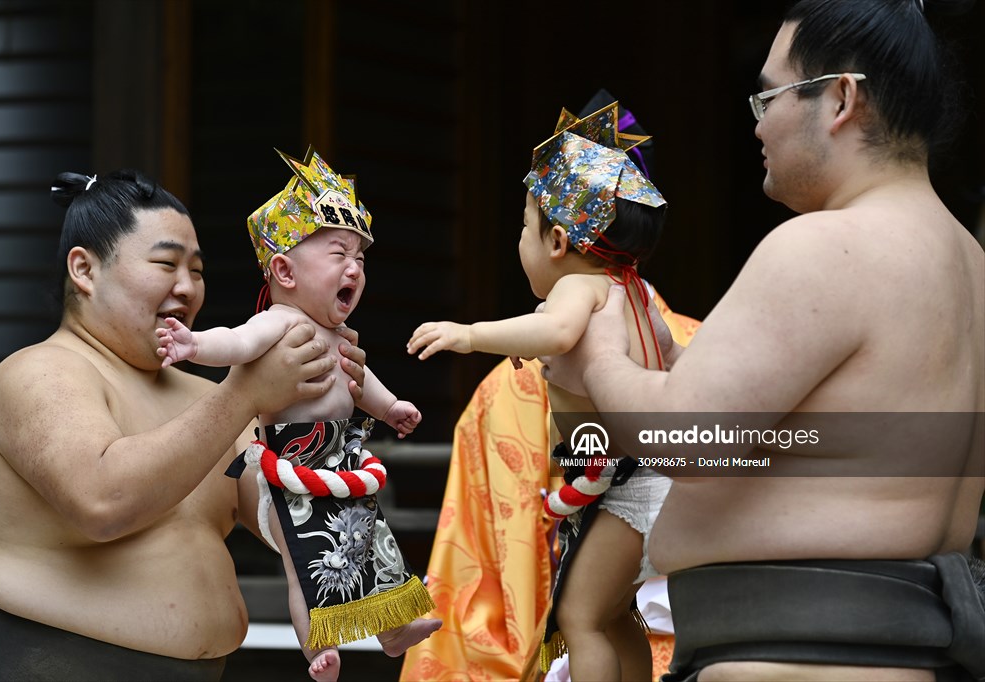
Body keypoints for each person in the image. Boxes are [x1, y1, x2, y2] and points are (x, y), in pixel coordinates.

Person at [542, 1, 985, 680]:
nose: (757, 123)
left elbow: (687, 438)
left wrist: (600, 355)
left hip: (792, 656)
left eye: (769, 96)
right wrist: (676, 364)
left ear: (841, 99)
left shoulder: (828, 244)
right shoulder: (970, 264)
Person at [0, 168, 369, 681]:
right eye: (165, 264)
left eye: (196, 270)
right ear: (85, 270)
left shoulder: (207, 397)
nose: (187, 287)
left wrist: (321, 411)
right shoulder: (38, 373)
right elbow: (103, 501)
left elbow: (291, 519)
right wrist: (245, 393)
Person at [408, 101, 673, 681]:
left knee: (580, 616)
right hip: (645, 476)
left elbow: (557, 332)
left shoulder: (578, 286)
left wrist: (470, 334)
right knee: (614, 615)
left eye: (524, 228)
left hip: (628, 486)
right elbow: (670, 356)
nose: (519, 241)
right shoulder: (634, 290)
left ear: (556, 240)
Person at [156, 147, 440, 681]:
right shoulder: (279, 321)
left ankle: (395, 629)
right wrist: (194, 345)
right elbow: (236, 342)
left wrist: (390, 406)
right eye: (338, 254)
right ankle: (317, 650)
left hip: (341, 459)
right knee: (304, 565)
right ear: (284, 270)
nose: (354, 267)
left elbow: (359, 384)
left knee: (374, 545)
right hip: (292, 468)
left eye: (360, 259)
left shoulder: (339, 335)